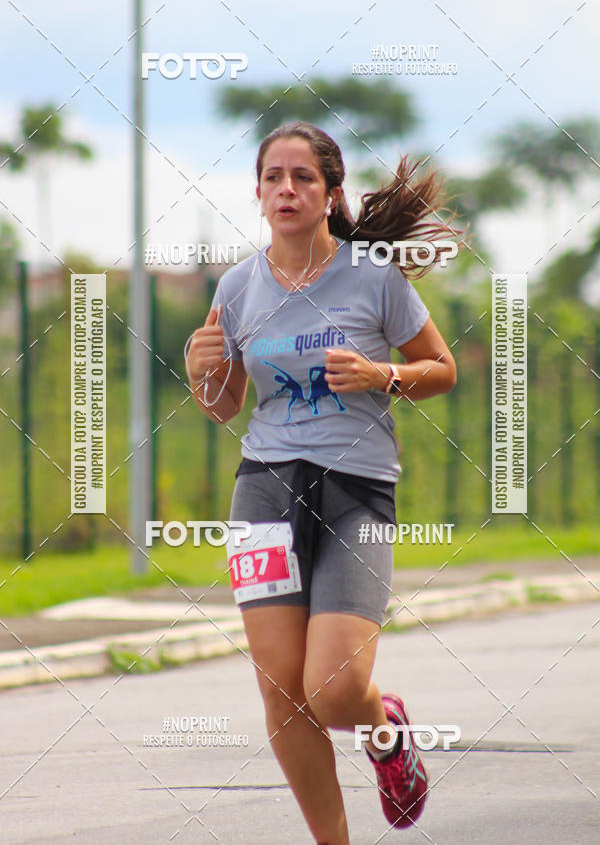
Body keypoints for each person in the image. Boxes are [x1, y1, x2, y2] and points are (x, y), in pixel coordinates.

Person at [185, 121, 458, 844]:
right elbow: (224, 408)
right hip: (265, 492)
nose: (286, 189)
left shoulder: (373, 277)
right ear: (257, 191)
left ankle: (385, 730)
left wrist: (383, 376)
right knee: (282, 689)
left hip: (357, 489)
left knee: (333, 690)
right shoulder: (237, 287)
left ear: (331, 191)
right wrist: (200, 374)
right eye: (273, 176)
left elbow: (443, 369)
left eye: (303, 177)